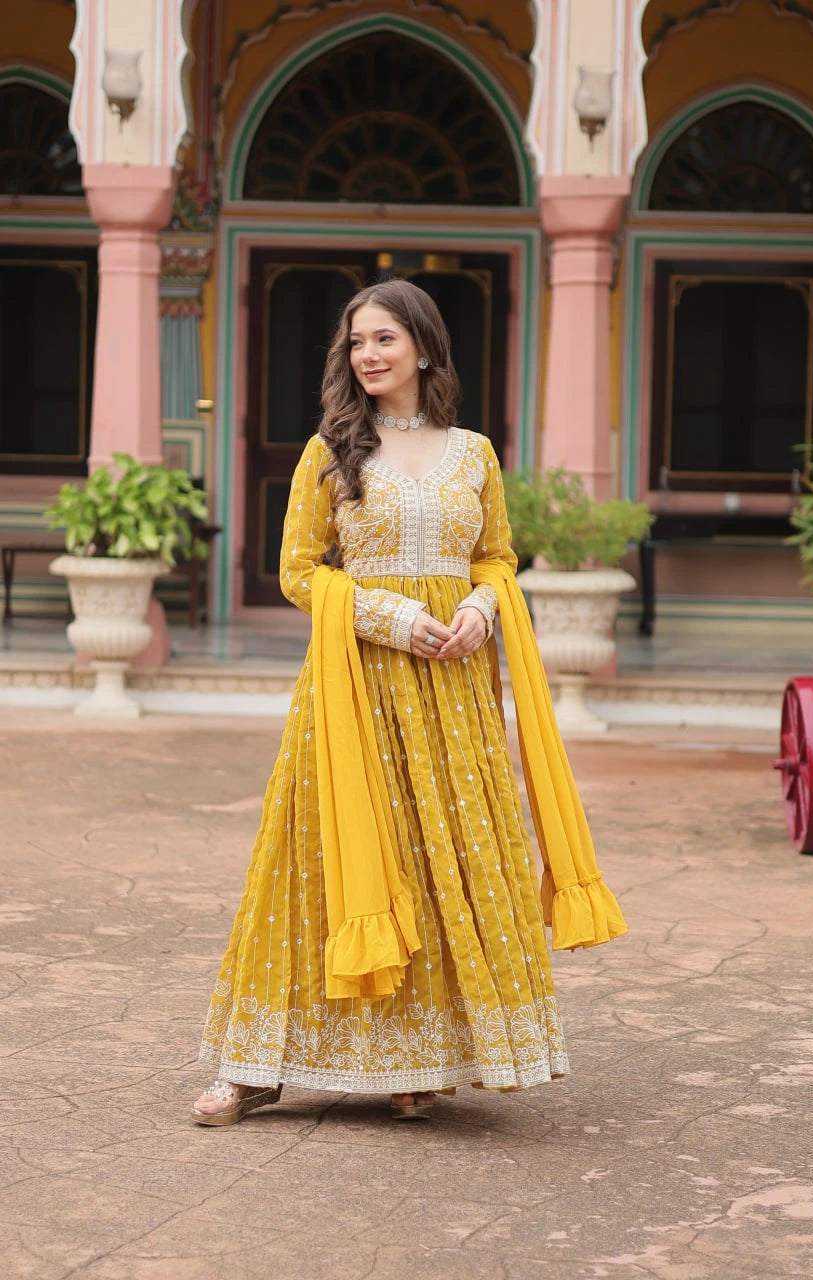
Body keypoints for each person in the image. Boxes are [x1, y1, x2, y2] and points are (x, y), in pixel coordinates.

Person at [192, 279, 626, 1125]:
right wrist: (390, 615)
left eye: (383, 338)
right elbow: (297, 571)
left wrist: (476, 609)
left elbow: (496, 558)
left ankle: (421, 1058)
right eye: (356, 342)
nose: (368, 355)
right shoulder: (332, 451)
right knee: (316, 856)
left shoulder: (475, 453)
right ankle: (254, 1065)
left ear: (422, 348)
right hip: (357, 686)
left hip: (454, 690)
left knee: (445, 859)